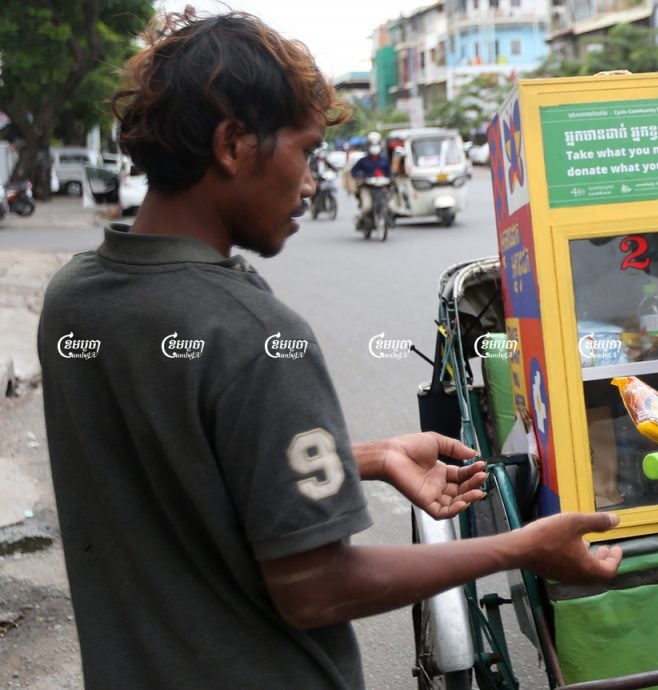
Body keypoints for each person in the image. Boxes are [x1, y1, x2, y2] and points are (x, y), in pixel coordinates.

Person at [36, 10, 621, 689]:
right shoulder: (254, 335)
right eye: (306, 151)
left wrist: (370, 457)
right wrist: (522, 547)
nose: (313, 184)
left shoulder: (74, 298)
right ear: (233, 144)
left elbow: (182, 470)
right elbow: (316, 586)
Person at [350, 140, 393, 228]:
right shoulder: (363, 160)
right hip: (367, 187)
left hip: (382, 188)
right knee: (367, 206)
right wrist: (359, 177)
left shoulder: (384, 160)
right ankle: (359, 219)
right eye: (373, 146)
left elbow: (389, 172)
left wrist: (391, 178)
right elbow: (354, 171)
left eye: (376, 146)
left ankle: (388, 220)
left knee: (391, 206)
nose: (375, 148)